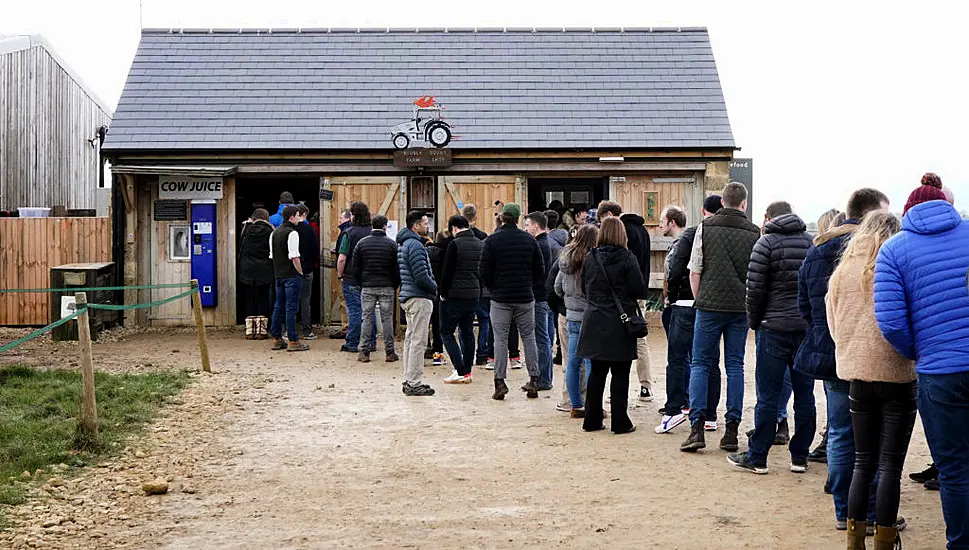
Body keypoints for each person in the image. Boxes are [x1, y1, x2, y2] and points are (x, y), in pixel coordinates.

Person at [875, 173, 969, 549]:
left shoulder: (895, 250)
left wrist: (921, 350)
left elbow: (892, 322)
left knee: (955, 467)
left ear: (907, 211)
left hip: (939, 370)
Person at [796, 188, 893, 534]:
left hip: (833, 350)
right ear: (871, 214)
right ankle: (873, 509)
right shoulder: (882, 249)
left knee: (839, 432)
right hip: (874, 354)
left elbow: (805, 304)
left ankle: (844, 510)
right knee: (877, 436)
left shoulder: (819, 248)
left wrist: (827, 333)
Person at [823, 210, 912, 549]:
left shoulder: (842, 272)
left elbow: (834, 327)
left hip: (856, 373)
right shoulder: (896, 268)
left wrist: (851, 352)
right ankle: (884, 539)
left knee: (863, 460)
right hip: (897, 372)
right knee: (890, 465)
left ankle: (854, 540)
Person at [727, 201, 815, 475]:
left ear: (768, 217)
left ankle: (758, 456)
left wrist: (754, 322)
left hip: (773, 327)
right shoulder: (810, 244)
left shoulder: (765, 244)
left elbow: (754, 290)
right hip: (803, 328)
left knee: (767, 395)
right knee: (805, 396)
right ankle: (799, 456)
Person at [681, 183, 760, 453]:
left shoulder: (706, 227)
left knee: (701, 363)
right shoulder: (754, 233)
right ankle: (732, 429)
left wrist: (700, 297)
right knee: (735, 365)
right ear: (744, 204)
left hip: (709, 305)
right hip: (739, 307)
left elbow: (695, 269)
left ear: (723, 201)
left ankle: (697, 427)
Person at [577, 217, 645, 434]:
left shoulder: (591, 257)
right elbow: (639, 289)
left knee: (596, 372)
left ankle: (592, 419)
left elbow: (583, 287)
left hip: (595, 318)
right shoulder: (627, 258)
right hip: (620, 321)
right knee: (620, 373)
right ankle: (620, 421)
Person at [479, 203, 544, 400]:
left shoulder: (492, 241)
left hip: (500, 297)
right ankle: (534, 379)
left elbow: (483, 270)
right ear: (518, 219)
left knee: (500, 339)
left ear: (502, 218)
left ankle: (500, 382)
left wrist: (494, 288)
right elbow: (540, 270)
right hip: (524, 296)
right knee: (529, 337)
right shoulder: (530, 240)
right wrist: (528, 285)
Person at [597, 200, 654, 402]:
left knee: (618, 341)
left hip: (622, 296)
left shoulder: (623, 232)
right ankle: (645, 386)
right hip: (640, 292)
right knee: (640, 338)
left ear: (610, 214)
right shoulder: (643, 230)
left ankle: (617, 390)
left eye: (603, 220)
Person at [555, 224, 597, 417]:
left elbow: (557, 287)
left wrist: (568, 301)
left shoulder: (566, 259)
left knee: (572, 362)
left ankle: (575, 405)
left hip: (572, 314)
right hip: (590, 315)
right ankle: (591, 404)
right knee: (590, 362)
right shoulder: (594, 259)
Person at [397, 211, 438, 396]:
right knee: (418, 341)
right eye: (424, 223)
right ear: (415, 226)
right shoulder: (415, 246)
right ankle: (414, 382)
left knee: (411, 339)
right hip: (419, 296)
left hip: (410, 295)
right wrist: (434, 288)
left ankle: (409, 378)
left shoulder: (406, 243)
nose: (427, 225)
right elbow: (421, 275)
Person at [349, 214, 400, 364]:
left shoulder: (362, 244)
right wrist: (394, 284)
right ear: (385, 226)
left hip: (368, 286)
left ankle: (364, 351)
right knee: (387, 319)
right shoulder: (392, 245)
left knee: (366, 318)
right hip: (386, 286)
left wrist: (361, 282)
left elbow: (355, 267)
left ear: (372, 225)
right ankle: (390, 352)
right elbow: (396, 269)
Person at [439, 215, 484, 384]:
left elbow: (447, 272)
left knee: (447, 332)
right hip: (473, 294)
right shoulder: (480, 244)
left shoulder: (454, 244)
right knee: (467, 332)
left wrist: (443, 293)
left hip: (454, 295)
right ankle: (467, 372)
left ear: (454, 228)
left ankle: (459, 370)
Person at [337, 201, 377, 353]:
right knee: (369, 311)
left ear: (353, 216)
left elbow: (342, 258)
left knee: (354, 311)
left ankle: (352, 343)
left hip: (352, 278)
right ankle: (371, 342)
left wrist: (340, 273)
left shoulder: (349, 233)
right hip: (369, 279)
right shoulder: (373, 231)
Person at [268, 205, 308, 352]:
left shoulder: (274, 233)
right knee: (291, 308)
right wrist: (301, 273)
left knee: (278, 306)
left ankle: (277, 338)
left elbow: (272, 256)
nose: (299, 218)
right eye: (297, 215)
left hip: (279, 275)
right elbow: (294, 256)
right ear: (291, 217)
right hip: (291, 275)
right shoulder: (292, 233)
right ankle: (293, 340)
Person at [523, 211, 554, 391]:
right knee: (544, 338)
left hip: (539, 297)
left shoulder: (540, 245)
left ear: (536, 225)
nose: (526, 229)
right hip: (544, 296)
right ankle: (544, 377)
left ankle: (544, 379)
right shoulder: (544, 243)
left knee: (541, 339)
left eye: (527, 225)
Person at [461, 204, 492, 365]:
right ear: (476, 217)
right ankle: (482, 354)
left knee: (464, 321)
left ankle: (465, 354)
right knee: (484, 319)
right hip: (481, 285)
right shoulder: (483, 236)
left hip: (463, 285)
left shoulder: (457, 238)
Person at [238, 208, 274, 321]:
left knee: (250, 299)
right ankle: (262, 326)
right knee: (263, 298)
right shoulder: (270, 231)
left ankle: (250, 326)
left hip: (247, 270)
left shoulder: (246, 229)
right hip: (264, 270)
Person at [294, 204, 319, 340]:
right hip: (307, 269)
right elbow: (314, 249)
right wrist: (310, 263)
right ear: (305, 214)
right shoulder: (309, 229)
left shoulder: (289, 229)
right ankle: (307, 330)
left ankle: (288, 330)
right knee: (305, 300)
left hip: (291, 269)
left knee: (290, 300)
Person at [426, 231, 451, 367]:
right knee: (438, 326)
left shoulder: (426, 251)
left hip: (426, 291)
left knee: (423, 324)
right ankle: (437, 354)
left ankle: (424, 349)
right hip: (440, 292)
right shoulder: (447, 254)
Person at [329, 209, 353, 340]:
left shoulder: (346, 232)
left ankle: (346, 327)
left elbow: (343, 257)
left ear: (348, 218)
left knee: (345, 300)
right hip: (353, 272)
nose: (339, 220)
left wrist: (340, 273)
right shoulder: (349, 231)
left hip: (345, 272)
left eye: (341, 217)